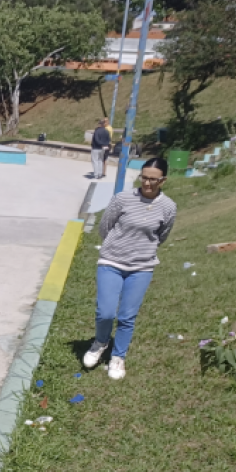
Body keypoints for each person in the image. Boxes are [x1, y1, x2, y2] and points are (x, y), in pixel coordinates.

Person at [83, 158, 176, 380]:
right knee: (105, 312)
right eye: (144, 177)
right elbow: (105, 226)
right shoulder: (122, 199)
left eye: (153, 179)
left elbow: (162, 235)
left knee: (127, 316)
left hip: (141, 266)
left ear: (163, 180)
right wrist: (116, 247)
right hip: (111, 262)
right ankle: (100, 342)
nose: (147, 183)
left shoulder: (168, 206)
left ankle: (118, 357)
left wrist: (141, 250)